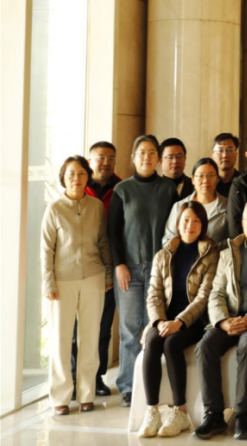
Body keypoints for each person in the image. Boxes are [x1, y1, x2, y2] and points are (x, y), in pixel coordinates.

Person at [193, 200, 247, 440]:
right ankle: (214, 414)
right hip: (229, 317)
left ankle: (242, 414)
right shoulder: (227, 251)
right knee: (205, 345)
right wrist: (222, 320)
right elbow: (217, 292)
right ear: (242, 222)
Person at [137, 201, 220, 438]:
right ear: (178, 223)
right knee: (152, 340)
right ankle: (152, 411)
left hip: (195, 320)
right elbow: (154, 294)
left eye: (196, 221)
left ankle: (180, 411)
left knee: (172, 343)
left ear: (203, 225)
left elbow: (203, 297)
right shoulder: (163, 255)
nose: (190, 226)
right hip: (166, 318)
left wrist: (180, 322)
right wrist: (159, 321)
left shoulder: (211, 254)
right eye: (185, 220)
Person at [109, 135, 178, 406]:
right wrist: (119, 264)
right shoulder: (122, 190)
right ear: (133, 158)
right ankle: (128, 386)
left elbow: (176, 229)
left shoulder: (168, 189)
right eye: (142, 153)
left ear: (158, 159)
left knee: (154, 329)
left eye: (152, 153)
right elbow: (113, 232)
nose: (147, 157)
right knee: (129, 329)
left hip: (160, 271)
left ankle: (151, 385)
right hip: (129, 269)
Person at [42, 156, 112, 415]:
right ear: (63, 177)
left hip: (93, 277)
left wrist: (107, 275)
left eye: (81, 173)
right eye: (71, 173)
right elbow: (46, 249)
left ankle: (86, 394)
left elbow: (103, 242)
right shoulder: (54, 208)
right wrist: (48, 282)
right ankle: (60, 397)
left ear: (87, 177)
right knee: (60, 339)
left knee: (90, 337)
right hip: (62, 281)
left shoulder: (96, 207)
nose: (76, 178)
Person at [77, 142, 121, 398]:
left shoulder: (121, 188)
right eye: (101, 157)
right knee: (76, 329)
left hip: (109, 268)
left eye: (111, 158)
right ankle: (75, 378)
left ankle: (96, 377)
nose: (106, 162)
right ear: (89, 161)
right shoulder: (79, 188)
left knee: (103, 327)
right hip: (79, 268)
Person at [163, 158, 228, 245]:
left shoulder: (227, 206)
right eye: (200, 176)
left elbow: (230, 240)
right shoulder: (179, 206)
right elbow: (168, 240)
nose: (205, 181)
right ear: (193, 180)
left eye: (211, 176)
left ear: (217, 179)